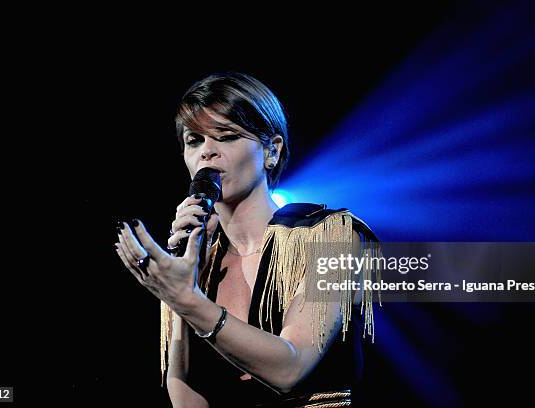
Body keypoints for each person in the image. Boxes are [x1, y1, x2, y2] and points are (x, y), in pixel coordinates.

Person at [115, 72, 381, 407]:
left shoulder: (333, 237)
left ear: (271, 150)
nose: (207, 153)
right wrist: (185, 281)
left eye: (225, 136)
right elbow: (185, 396)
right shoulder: (193, 262)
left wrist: (187, 300)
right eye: (194, 140)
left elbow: (291, 367)